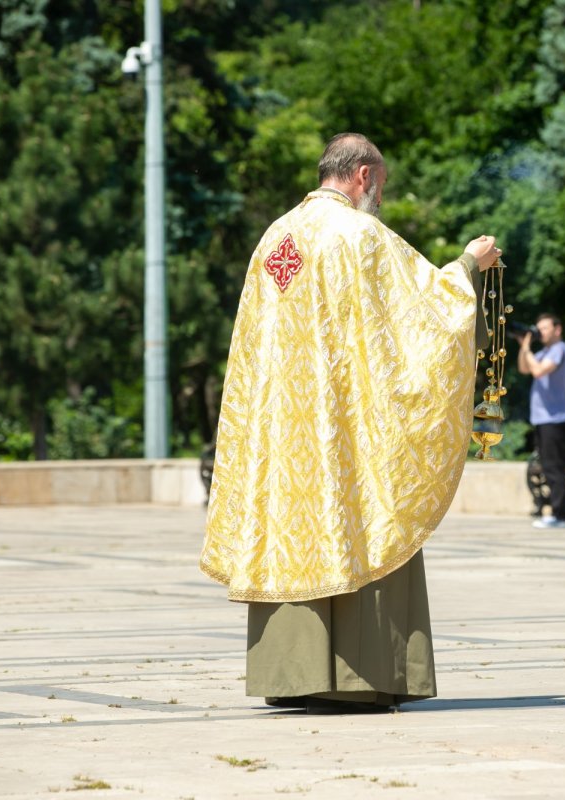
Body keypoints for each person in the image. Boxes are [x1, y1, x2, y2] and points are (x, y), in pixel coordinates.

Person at [200, 132, 501, 713]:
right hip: (344, 432)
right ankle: (357, 678)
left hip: (285, 435)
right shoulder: (358, 236)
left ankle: (292, 675)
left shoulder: (275, 237)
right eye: (380, 188)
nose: (379, 199)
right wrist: (469, 263)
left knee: (293, 532)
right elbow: (426, 317)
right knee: (367, 519)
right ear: (363, 176)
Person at [516, 313, 565, 529]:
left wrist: (528, 349)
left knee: (554, 467)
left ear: (557, 329)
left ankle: (560, 515)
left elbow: (538, 371)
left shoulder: (560, 349)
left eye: (545, 328)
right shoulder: (544, 352)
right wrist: (524, 347)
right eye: (538, 328)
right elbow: (524, 368)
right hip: (542, 418)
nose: (540, 332)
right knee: (548, 465)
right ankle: (557, 513)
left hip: (555, 418)